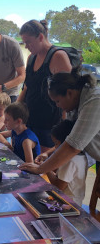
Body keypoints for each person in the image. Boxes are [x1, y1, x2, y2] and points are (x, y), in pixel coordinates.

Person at [18, 67, 100, 208]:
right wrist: (47, 154)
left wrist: (41, 169)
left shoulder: (94, 102)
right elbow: (67, 141)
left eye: (57, 101)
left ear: (69, 93)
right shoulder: (76, 102)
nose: (59, 107)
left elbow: (73, 145)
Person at [17, 19, 72, 152]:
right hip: (30, 120)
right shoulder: (31, 58)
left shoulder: (58, 56)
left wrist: (65, 127)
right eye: (24, 43)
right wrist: (15, 110)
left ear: (41, 37)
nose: (26, 46)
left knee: (45, 165)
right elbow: (26, 87)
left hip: (49, 124)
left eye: (28, 42)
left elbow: (69, 94)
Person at [46, 120, 88, 206]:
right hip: (74, 200)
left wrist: (46, 168)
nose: (55, 147)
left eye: (56, 143)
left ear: (66, 143)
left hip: (68, 204)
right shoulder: (81, 155)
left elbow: (58, 187)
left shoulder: (69, 161)